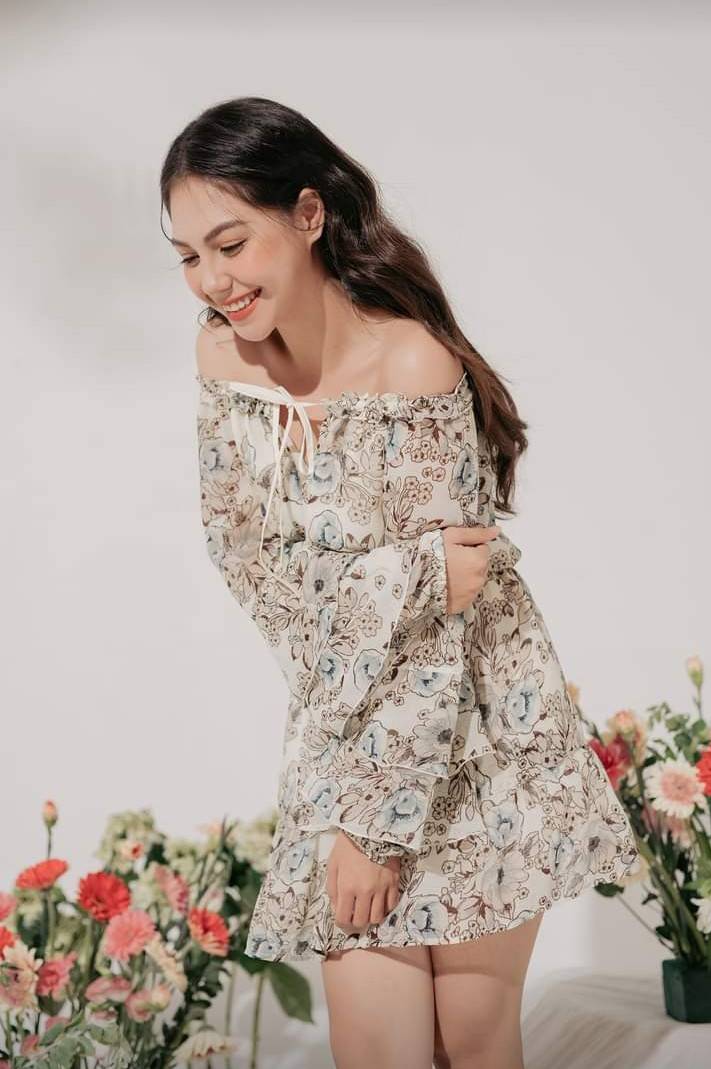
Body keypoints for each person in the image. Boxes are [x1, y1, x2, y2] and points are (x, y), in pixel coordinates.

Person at [160, 96, 639, 1069]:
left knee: (471, 1041)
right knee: (379, 1047)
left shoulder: (412, 362)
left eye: (231, 243)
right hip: (342, 734)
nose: (212, 281)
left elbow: (443, 636)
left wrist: (374, 828)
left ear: (306, 214)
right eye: (188, 256)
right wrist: (406, 574)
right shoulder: (222, 355)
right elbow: (246, 561)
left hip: (476, 741)